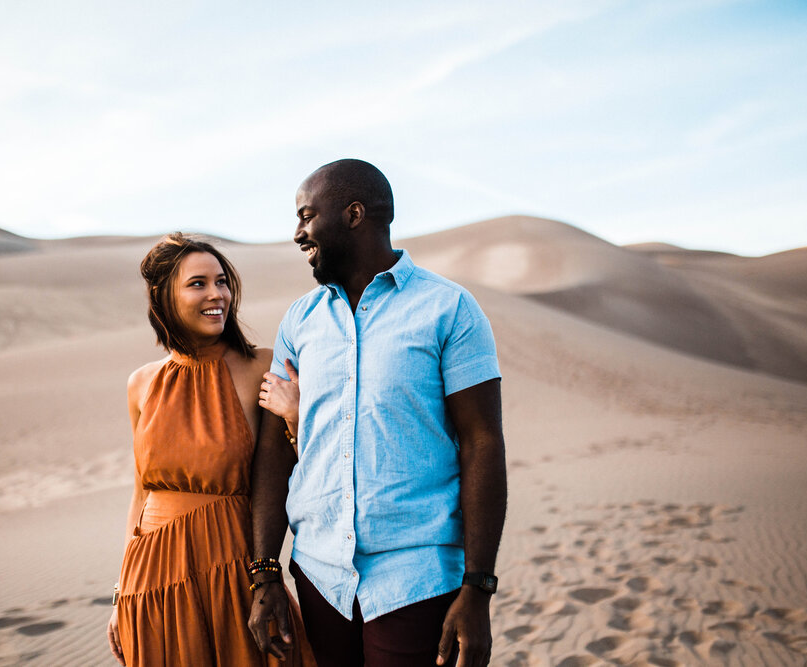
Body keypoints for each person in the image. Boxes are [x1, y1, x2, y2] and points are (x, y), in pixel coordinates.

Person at [250, 160, 508, 667]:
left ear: (353, 214)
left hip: (416, 576)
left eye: (306, 216)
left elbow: (483, 442)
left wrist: (478, 589)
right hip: (319, 575)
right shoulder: (299, 321)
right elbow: (275, 449)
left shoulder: (449, 309)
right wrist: (265, 572)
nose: (298, 233)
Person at [106, 233, 315, 667]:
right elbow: (141, 493)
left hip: (234, 570)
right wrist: (120, 592)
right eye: (197, 283)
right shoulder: (141, 383)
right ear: (164, 297)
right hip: (151, 582)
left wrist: (295, 415)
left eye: (221, 281)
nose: (217, 293)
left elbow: (292, 469)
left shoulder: (262, 365)